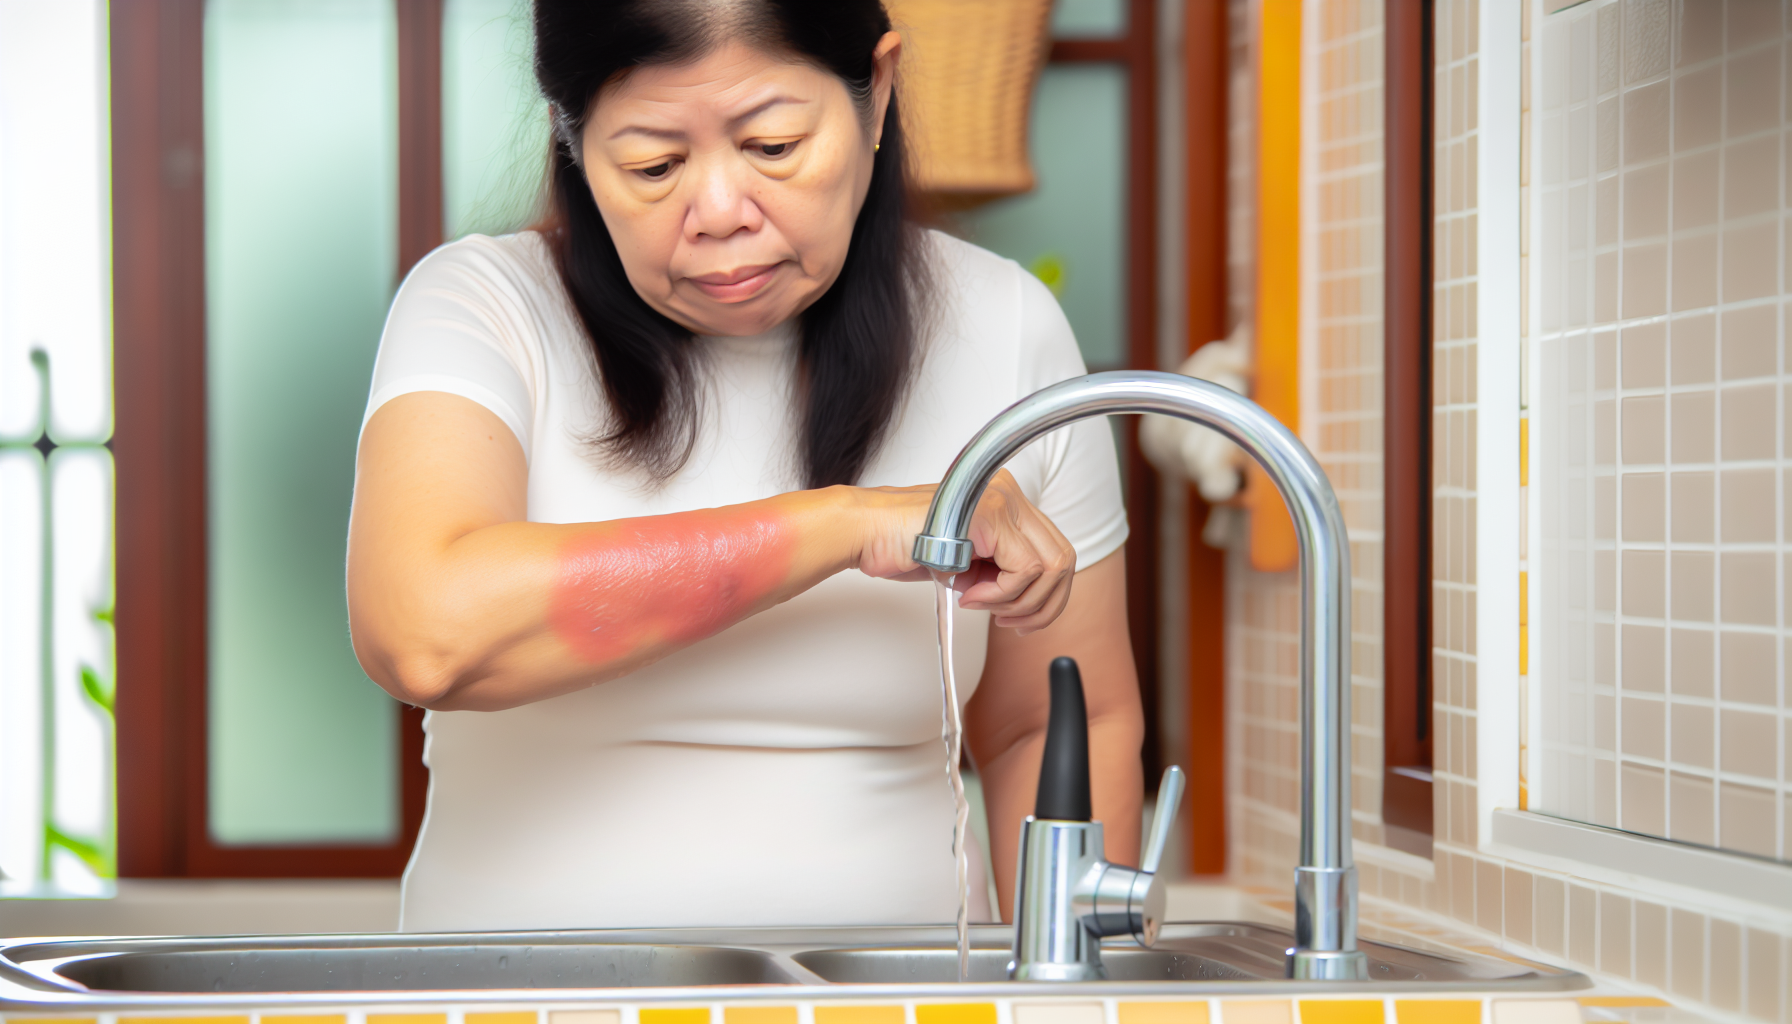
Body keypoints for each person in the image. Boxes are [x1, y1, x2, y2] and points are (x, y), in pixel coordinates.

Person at [347, 0, 1143, 932]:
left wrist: (1081, 987)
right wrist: (846, 523)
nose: (720, 214)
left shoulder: (1004, 329)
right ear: (571, 138)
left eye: (773, 147)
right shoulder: (485, 307)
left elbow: (1048, 726)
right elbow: (425, 632)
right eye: (653, 165)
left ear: (875, 94)